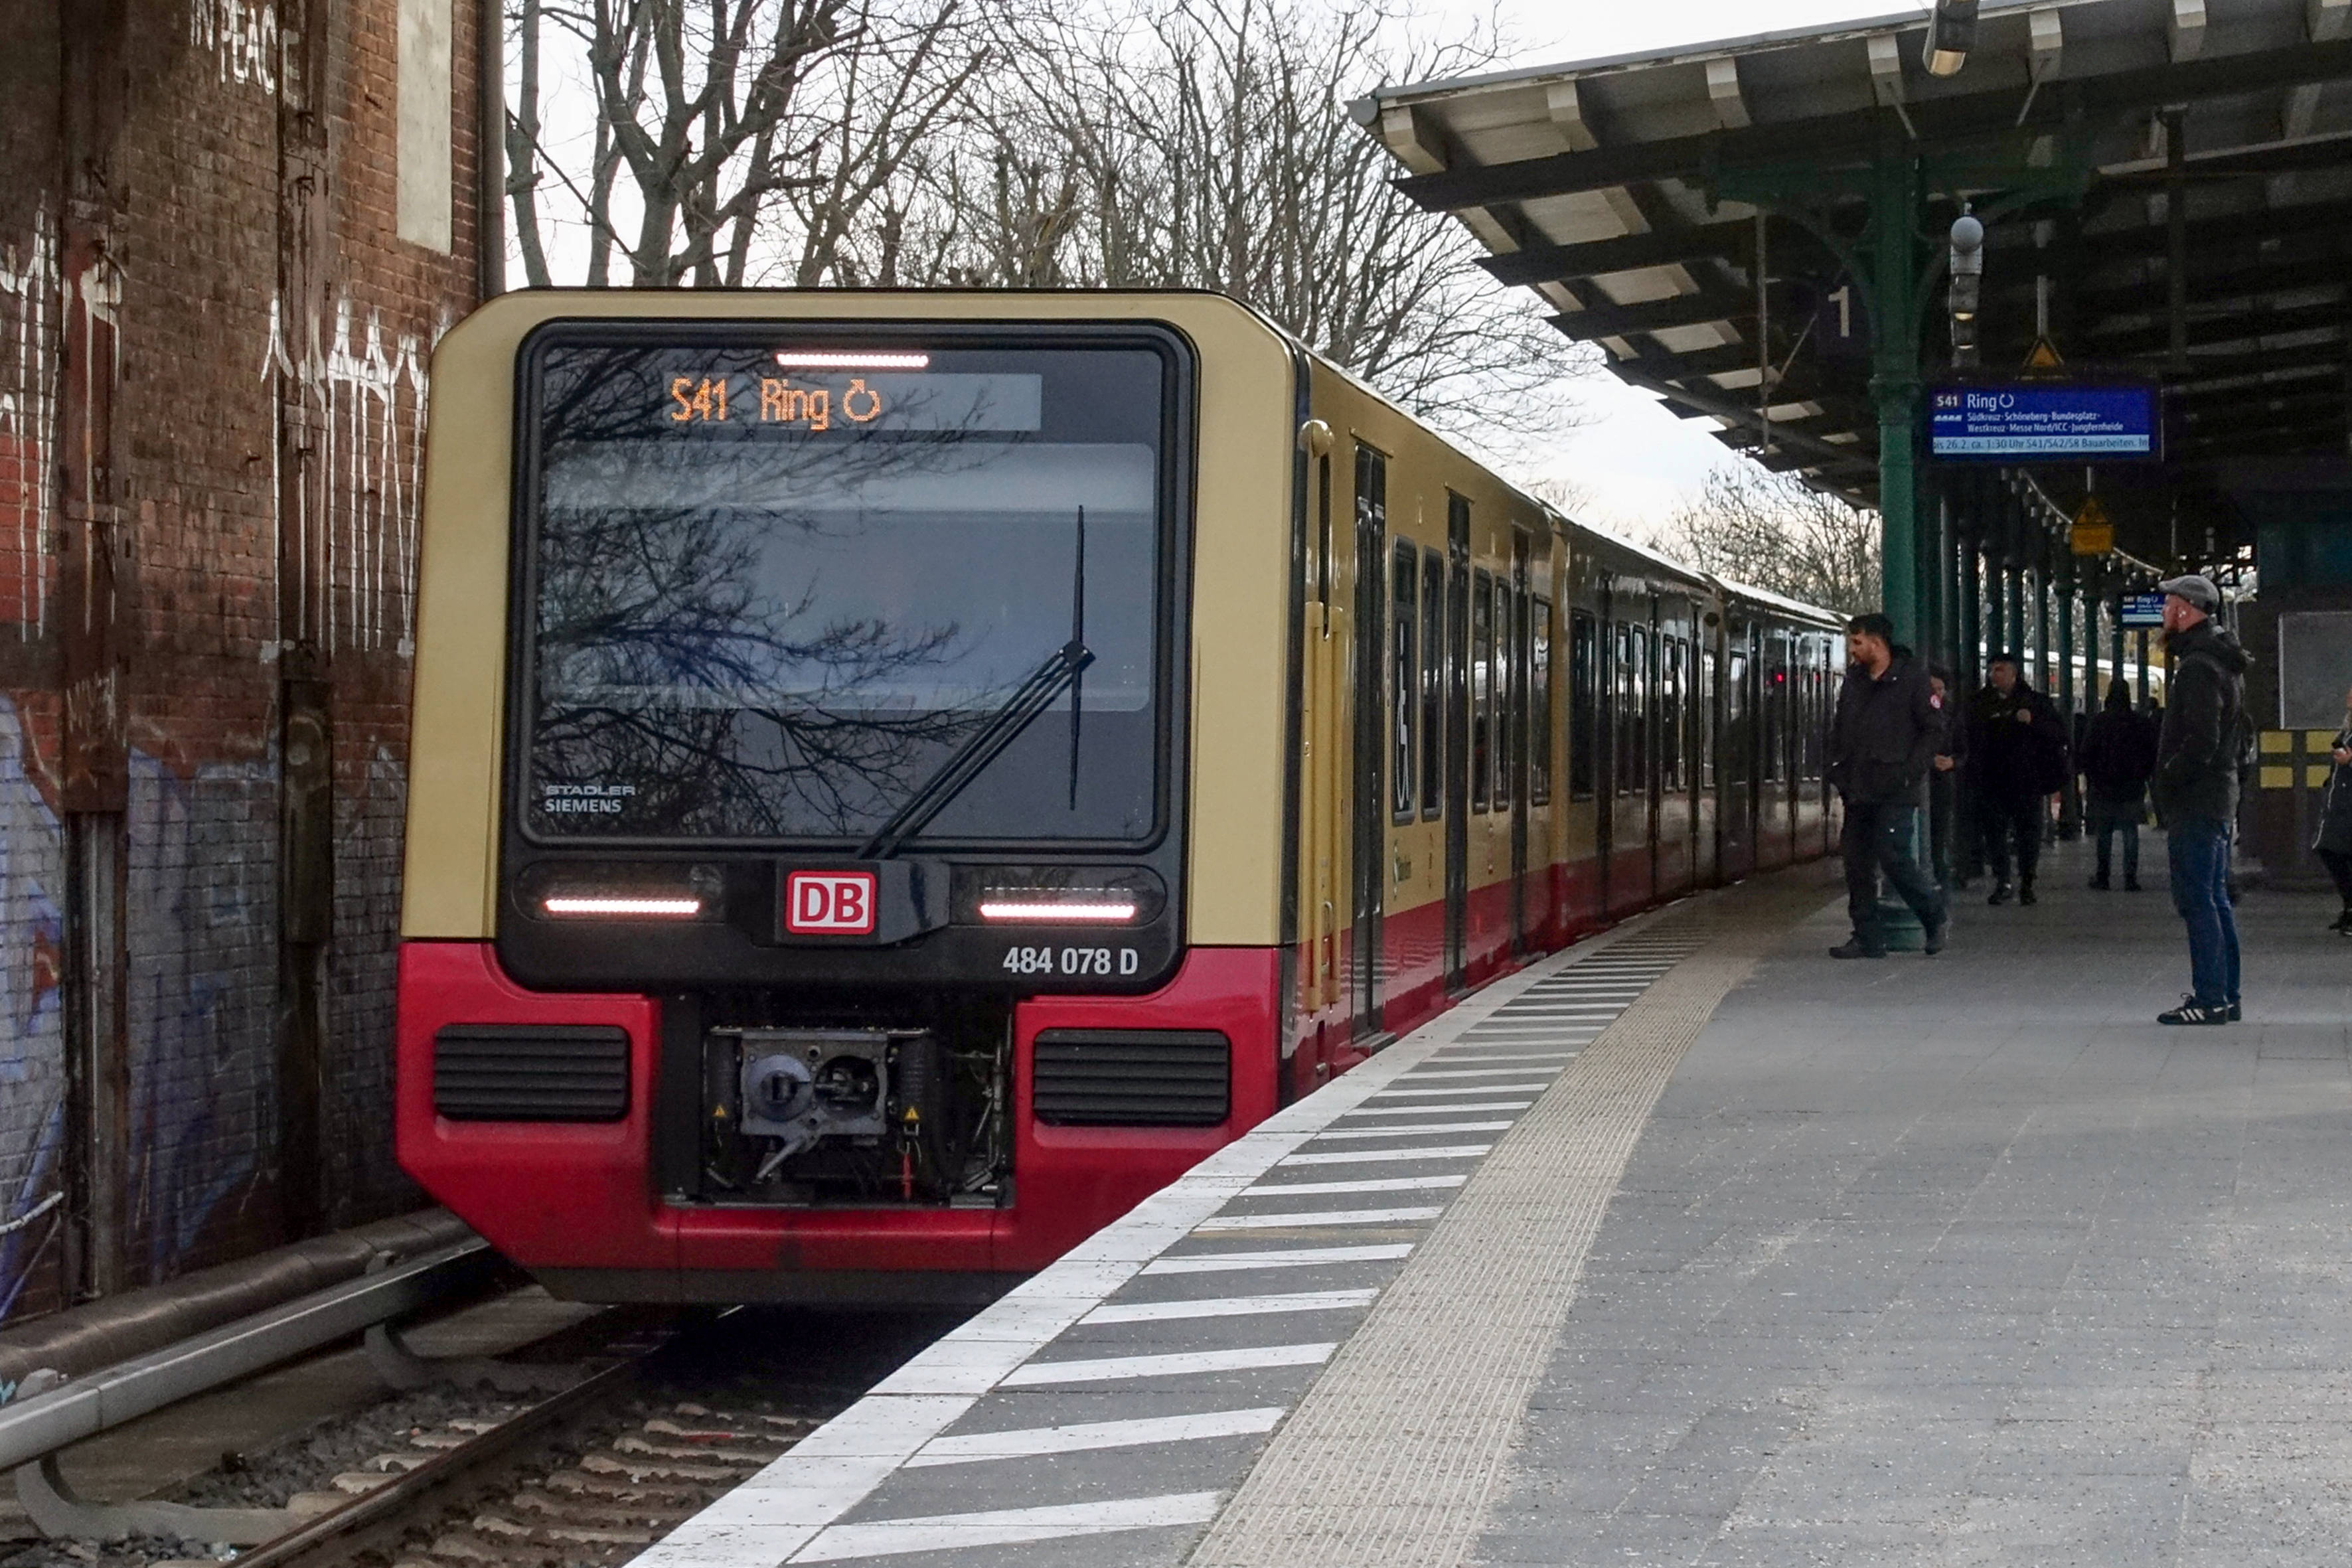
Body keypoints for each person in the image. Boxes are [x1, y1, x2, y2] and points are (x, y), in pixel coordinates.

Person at [2150, 574, 2248, 1026]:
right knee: (2214, 898)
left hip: (2198, 798)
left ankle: (2209, 997)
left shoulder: (2197, 667)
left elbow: (2200, 740)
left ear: (2186, 609)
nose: (2163, 611)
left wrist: (2168, 779)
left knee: (2197, 900)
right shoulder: (2220, 661)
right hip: (2217, 794)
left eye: (2168, 603)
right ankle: (2225, 996)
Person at [1826, 613, 1949, 959]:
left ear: (1877, 643)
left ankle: (1933, 914)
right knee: (1857, 863)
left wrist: (1912, 771)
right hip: (1858, 786)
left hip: (1896, 786)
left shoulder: (1913, 680)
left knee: (1894, 856)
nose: (1852, 650)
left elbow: (1933, 728)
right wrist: (1835, 765)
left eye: (1857, 642)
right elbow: (1840, 725)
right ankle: (1866, 936)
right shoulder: (1854, 680)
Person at [1966, 652, 2069, 906]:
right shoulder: (1980, 704)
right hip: (1992, 780)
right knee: (1995, 834)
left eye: (2000, 670)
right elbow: (1969, 738)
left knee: (2028, 834)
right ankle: (2003, 880)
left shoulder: (2035, 703)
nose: (1994, 676)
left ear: (2014, 673)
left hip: (2027, 781)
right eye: (1991, 671)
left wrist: (2033, 722)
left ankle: (2026, 882)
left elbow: (2058, 733)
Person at [2077, 678, 2157, 891]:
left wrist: (2091, 776)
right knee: (2130, 831)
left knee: (2104, 832)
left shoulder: (2099, 722)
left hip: (2104, 785)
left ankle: (2103, 876)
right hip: (2132, 785)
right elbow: (2151, 753)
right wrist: (2143, 775)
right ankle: (2130, 878)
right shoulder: (2140, 722)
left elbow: (2087, 752)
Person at [2311, 684, 2352, 932]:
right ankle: (2349, 906)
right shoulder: (2347, 726)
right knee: (2332, 850)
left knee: (2340, 852)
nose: (2348, 698)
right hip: (2340, 800)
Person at [1927, 666, 1968, 889]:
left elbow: (1964, 750)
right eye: (1933, 689)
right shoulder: (1913, 713)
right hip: (1920, 781)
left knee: (1940, 830)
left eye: (1941, 689)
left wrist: (1952, 762)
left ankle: (1940, 870)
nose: (1937, 694)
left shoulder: (1952, 715)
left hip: (1943, 781)